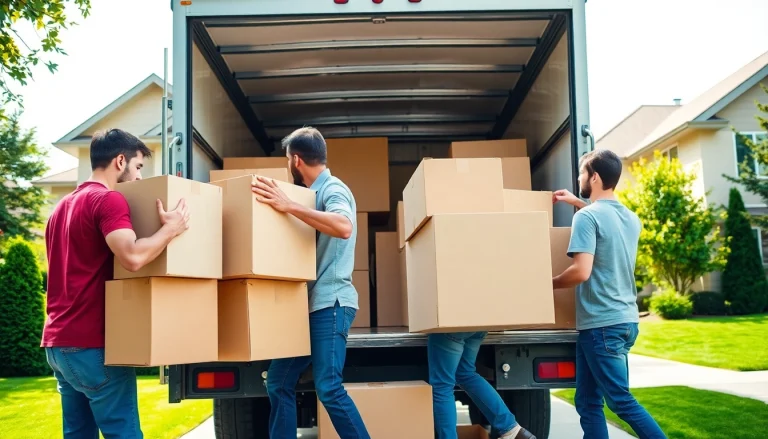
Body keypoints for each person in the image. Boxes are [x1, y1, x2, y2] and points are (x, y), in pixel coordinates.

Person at [42, 128, 191, 439]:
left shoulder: (61, 208)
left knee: (77, 434)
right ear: (120, 161)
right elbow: (133, 257)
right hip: (92, 344)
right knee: (123, 433)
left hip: (58, 345)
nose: (138, 178)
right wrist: (171, 230)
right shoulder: (108, 200)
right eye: (137, 167)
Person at [251, 127, 370, 439]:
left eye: (287, 160)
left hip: (331, 303)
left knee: (329, 388)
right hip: (305, 307)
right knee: (277, 381)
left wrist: (289, 206)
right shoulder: (312, 194)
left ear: (296, 159)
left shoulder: (333, 189)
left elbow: (344, 226)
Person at [552, 149, 666, 439]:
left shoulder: (588, 218)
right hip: (621, 321)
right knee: (588, 401)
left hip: (602, 324)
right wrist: (578, 203)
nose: (579, 177)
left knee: (621, 402)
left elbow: (581, 271)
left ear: (595, 176)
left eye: (582, 172)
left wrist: (545, 284)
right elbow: (606, 226)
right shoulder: (630, 218)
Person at [428, 333, 537, 439]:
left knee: (442, 386)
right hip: (477, 327)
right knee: (465, 374)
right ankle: (512, 430)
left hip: (451, 325)